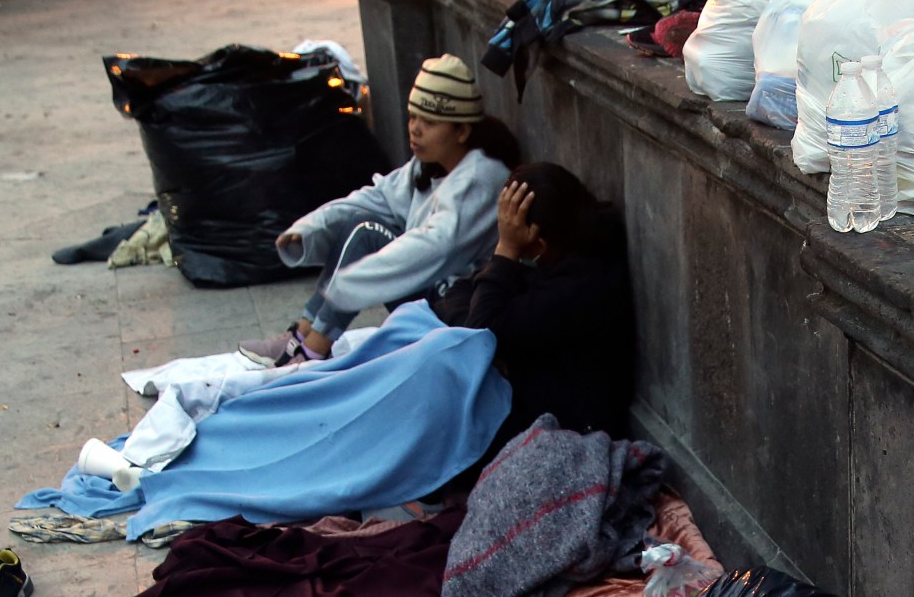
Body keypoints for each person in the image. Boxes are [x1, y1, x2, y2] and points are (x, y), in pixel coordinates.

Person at [240, 54, 519, 367]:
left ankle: (313, 349)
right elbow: (377, 197)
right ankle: (304, 334)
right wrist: (310, 227)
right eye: (412, 117)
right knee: (359, 222)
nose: (415, 129)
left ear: (462, 132)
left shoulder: (480, 176)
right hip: (434, 290)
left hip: (457, 309)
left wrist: (353, 280)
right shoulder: (429, 165)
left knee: (367, 234)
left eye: (429, 123)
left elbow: (436, 247)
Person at [430, 161, 636, 438]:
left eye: (510, 236)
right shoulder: (564, 255)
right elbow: (461, 291)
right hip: (528, 394)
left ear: (539, 245)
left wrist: (506, 250)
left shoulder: (582, 285)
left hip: (561, 426)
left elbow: (481, 331)